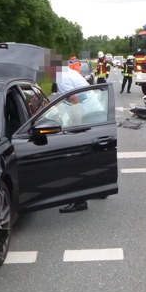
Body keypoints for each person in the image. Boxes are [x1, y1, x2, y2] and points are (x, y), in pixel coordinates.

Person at [57, 56, 93, 213]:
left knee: (76, 157)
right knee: (91, 153)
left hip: (86, 113)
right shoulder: (67, 72)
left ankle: (79, 201)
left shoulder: (61, 78)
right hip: (95, 110)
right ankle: (100, 189)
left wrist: (75, 126)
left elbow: (74, 99)